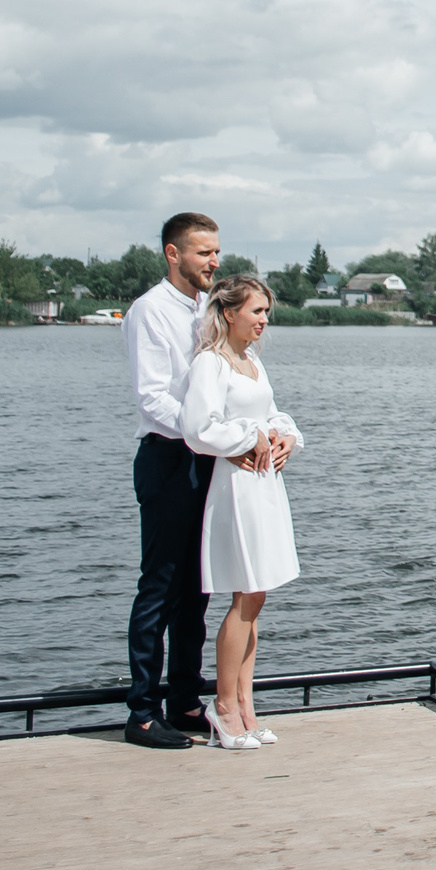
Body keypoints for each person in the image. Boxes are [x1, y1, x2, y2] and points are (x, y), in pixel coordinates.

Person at [122, 210, 232, 749]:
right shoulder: (149, 311)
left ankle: (185, 701)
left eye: (216, 252)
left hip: (205, 458)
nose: (214, 261)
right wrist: (203, 433)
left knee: (198, 590)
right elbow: (152, 397)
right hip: (167, 458)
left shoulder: (208, 310)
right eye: (204, 252)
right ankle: (141, 713)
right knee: (160, 588)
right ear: (173, 254)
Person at [179, 274, 304, 750]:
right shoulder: (210, 364)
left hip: (265, 484)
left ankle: (247, 706)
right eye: (256, 311)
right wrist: (249, 438)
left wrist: (285, 434)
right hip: (236, 486)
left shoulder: (251, 362)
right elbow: (198, 429)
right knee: (246, 594)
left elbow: (271, 412)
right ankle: (223, 707)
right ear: (229, 312)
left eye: (266, 312)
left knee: (258, 597)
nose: (263, 320)